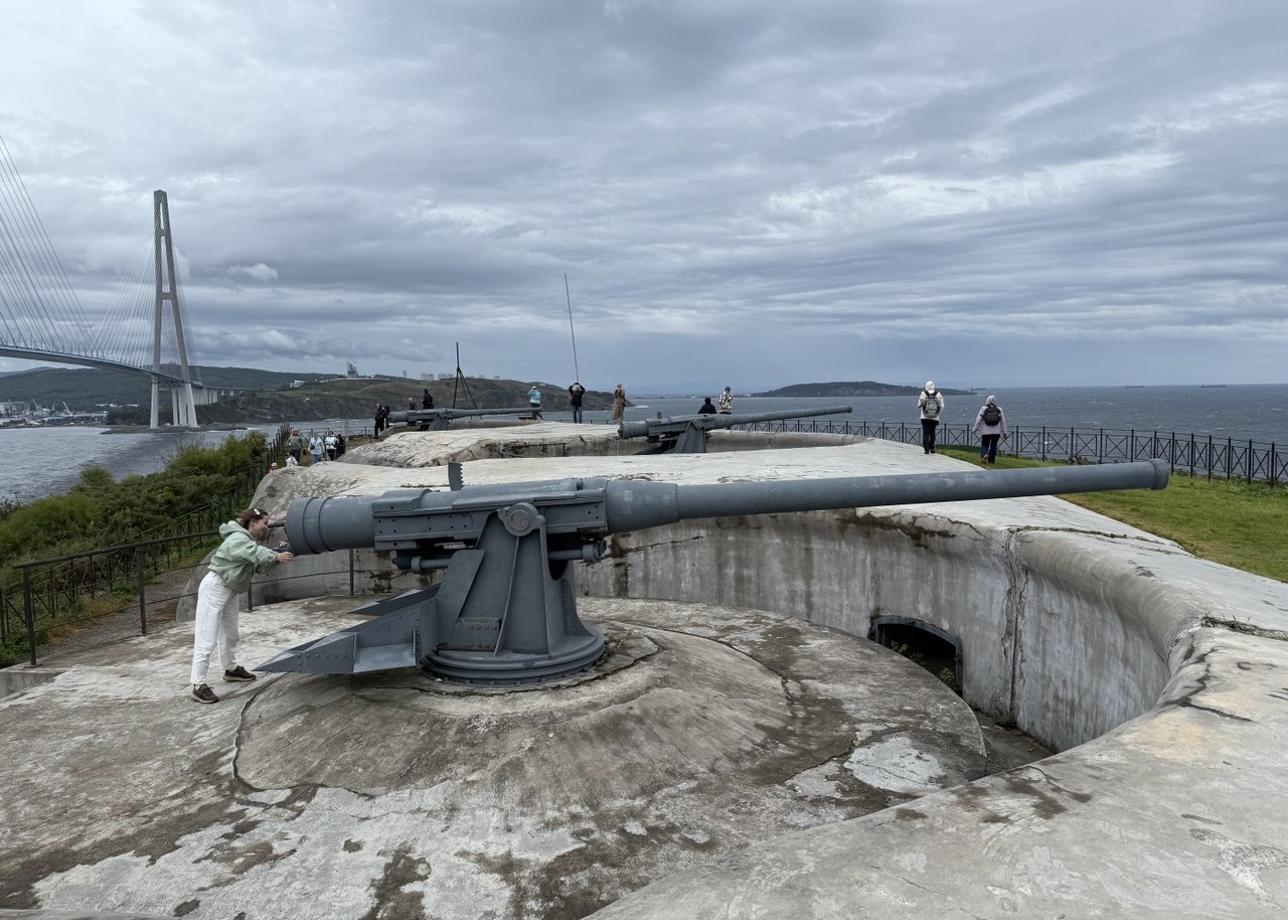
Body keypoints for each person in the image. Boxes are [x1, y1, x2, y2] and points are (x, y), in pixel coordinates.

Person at [190, 507, 293, 703]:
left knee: (231, 634)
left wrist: (278, 555)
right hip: (215, 588)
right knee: (206, 638)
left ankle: (230, 669)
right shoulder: (238, 539)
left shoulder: (247, 542)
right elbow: (253, 553)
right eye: (265, 524)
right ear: (252, 523)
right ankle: (197, 684)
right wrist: (274, 555)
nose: (267, 528)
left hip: (230, 589)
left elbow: (258, 564)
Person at [972, 395, 1008, 464]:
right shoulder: (999, 409)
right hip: (996, 432)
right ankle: (991, 461)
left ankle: (984, 455)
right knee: (993, 446)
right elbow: (1003, 422)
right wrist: (1004, 433)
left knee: (984, 444)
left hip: (986, 432)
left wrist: (974, 430)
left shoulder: (983, 409)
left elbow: (978, 420)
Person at [917, 381, 944, 454]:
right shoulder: (938, 394)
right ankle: (932, 448)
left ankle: (926, 450)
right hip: (935, 417)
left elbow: (919, 405)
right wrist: (936, 412)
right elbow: (942, 406)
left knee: (926, 433)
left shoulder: (923, 393)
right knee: (932, 433)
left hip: (924, 417)